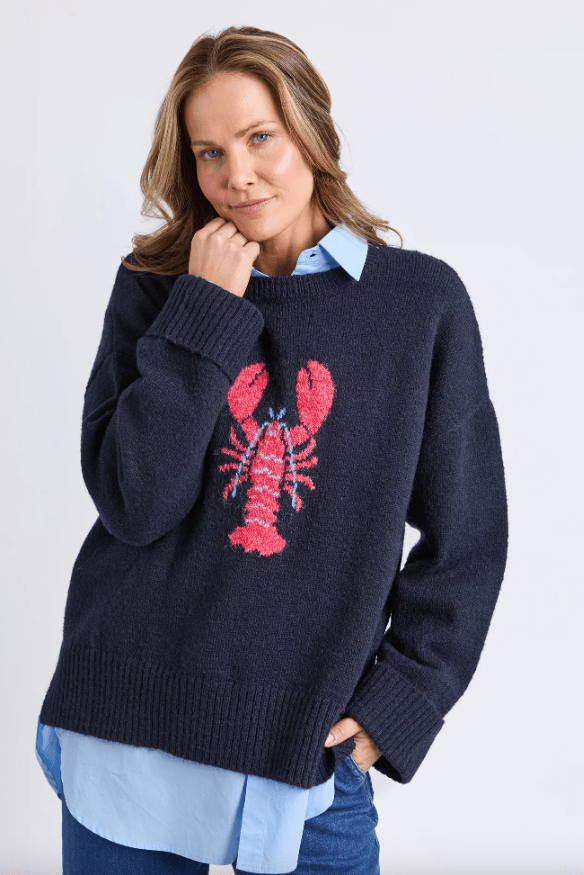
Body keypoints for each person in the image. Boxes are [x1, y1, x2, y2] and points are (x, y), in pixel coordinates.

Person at [35, 24, 509, 875]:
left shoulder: (419, 305)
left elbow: (468, 536)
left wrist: (402, 699)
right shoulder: (156, 288)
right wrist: (205, 311)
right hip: (129, 721)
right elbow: (134, 501)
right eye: (210, 152)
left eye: (260, 138)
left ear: (312, 133)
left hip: (305, 747)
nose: (238, 176)